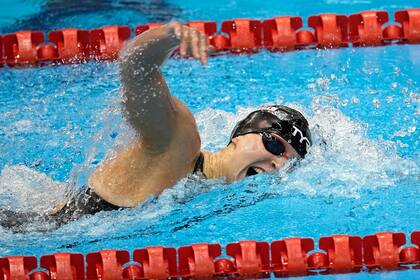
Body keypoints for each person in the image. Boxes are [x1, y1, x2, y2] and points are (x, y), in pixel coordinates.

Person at [0, 21, 311, 231]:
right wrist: (171, 35)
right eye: (274, 144)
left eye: (286, 163)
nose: (275, 164)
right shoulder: (179, 139)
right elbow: (136, 68)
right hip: (23, 231)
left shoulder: (201, 185)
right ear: (241, 135)